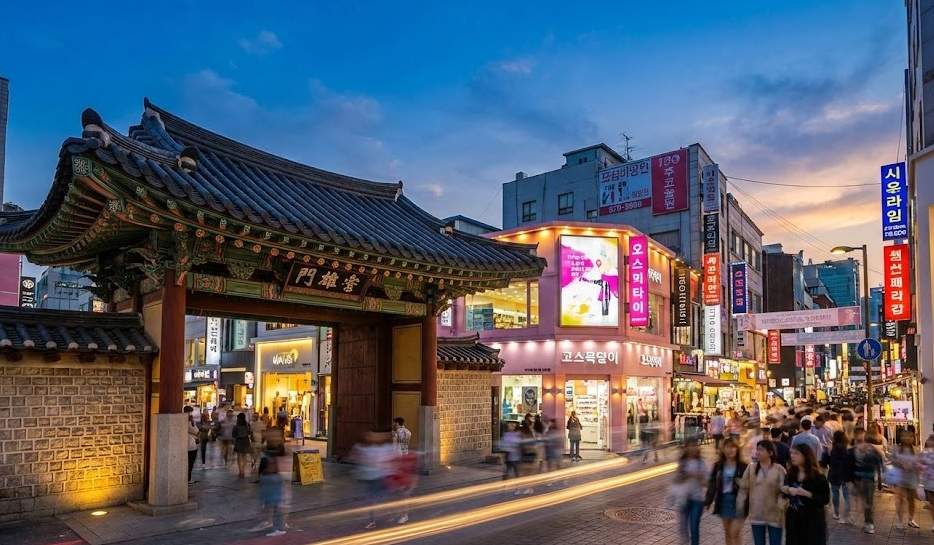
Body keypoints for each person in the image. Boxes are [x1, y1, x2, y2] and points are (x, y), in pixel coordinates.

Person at [739, 440, 786, 545]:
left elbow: (784, 491)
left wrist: (782, 503)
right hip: (756, 514)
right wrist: (740, 504)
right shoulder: (751, 468)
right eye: (757, 449)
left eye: (761, 450)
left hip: (775, 515)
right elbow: (743, 488)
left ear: (770, 453)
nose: (757, 452)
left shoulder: (780, 469)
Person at [782, 444, 830, 545]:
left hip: (812, 520)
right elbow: (784, 491)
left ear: (806, 456)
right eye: (791, 453)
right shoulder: (791, 474)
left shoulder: (818, 477)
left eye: (796, 453)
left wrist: (808, 494)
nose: (792, 456)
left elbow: (825, 499)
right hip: (793, 519)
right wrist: (787, 490)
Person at [705, 438, 747, 545]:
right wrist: (708, 501)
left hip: (739, 503)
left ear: (737, 449)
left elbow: (749, 485)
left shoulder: (744, 466)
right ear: (723, 449)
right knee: (728, 533)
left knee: (734, 533)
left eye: (733, 447)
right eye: (728, 447)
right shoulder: (718, 465)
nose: (731, 450)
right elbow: (712, 484)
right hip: (724, 501)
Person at [351, 430, 395, 529]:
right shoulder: (374, 448)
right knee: (374, 498)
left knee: (374, 498)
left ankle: (377, 518)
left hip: (379, 476)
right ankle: (375, 519)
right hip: (373, 477)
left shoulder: (383, 448)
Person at [674, 439, 708, 545]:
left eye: (694, 446)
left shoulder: (701, 463)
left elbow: (706, 483)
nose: (692, 448)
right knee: (683, 528)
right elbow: (677, 480)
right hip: (683, 499)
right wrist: (683, 476)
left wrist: (698, 476)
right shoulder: (682, 462)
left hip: (697, 500)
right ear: (686, 448)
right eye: (690, 446)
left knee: (694, 527)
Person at [851, 428, 883, 534]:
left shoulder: (871, 449)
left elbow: (879, 463)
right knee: (866, 502)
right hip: (859, 479)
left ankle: (869, 523)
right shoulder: (854, 449)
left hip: (867, 479)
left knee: (867, 502)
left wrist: (879, 480)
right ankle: (867, 522)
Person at [892, 429, 921, 529]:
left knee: (911, 500)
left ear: (913, 438)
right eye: (904, 436)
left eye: (910, 436)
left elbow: (919, 464)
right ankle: (899, 521)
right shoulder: (896, 448)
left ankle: (911, 519)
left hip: (912, 477)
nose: (907, 438)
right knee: (900, 499)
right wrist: (900, 464)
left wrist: (914, 467)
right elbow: (892, 460)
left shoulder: (916, 450)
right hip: (900, 477)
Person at [251, 453, 286, 537]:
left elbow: (266, 491)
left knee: (276, 513)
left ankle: (277, 529)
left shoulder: (268, 477)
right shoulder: (272, 477)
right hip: (275, 498)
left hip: (274, 498)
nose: (273, 466)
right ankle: (278, 528)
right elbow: (267, 490)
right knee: (276, 512)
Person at [824, 430, 853, 523]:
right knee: (846, 495)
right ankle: (847, 514)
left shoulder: (832, 449)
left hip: (834, 474)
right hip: (844, 474)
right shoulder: (846, 448)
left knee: (835, 493)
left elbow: (827, 461)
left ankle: (836, 513)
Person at [920, 434, 934, 532]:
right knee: (932, 503)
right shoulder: (924, 454)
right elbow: (919, 464)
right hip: (929, 483)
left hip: (929, 482)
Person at [232, 412, 252, 478]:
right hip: (246, 440)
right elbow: (249, 432)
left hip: (239, 441)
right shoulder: (247, 425)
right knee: (244, 456)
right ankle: (243, 470)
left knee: (239, 457)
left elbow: (233, 435)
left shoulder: (236, 426)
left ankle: (240, 471)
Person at [184, 406, 199, 483]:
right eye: (190, 412)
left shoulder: (190, 421)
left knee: (189, 463)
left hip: (191, 444)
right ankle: (188, 479)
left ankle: (188, 478)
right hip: (190, 445)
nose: (191, 413)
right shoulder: (188, 421)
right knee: (190, 463)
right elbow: (195, 431)